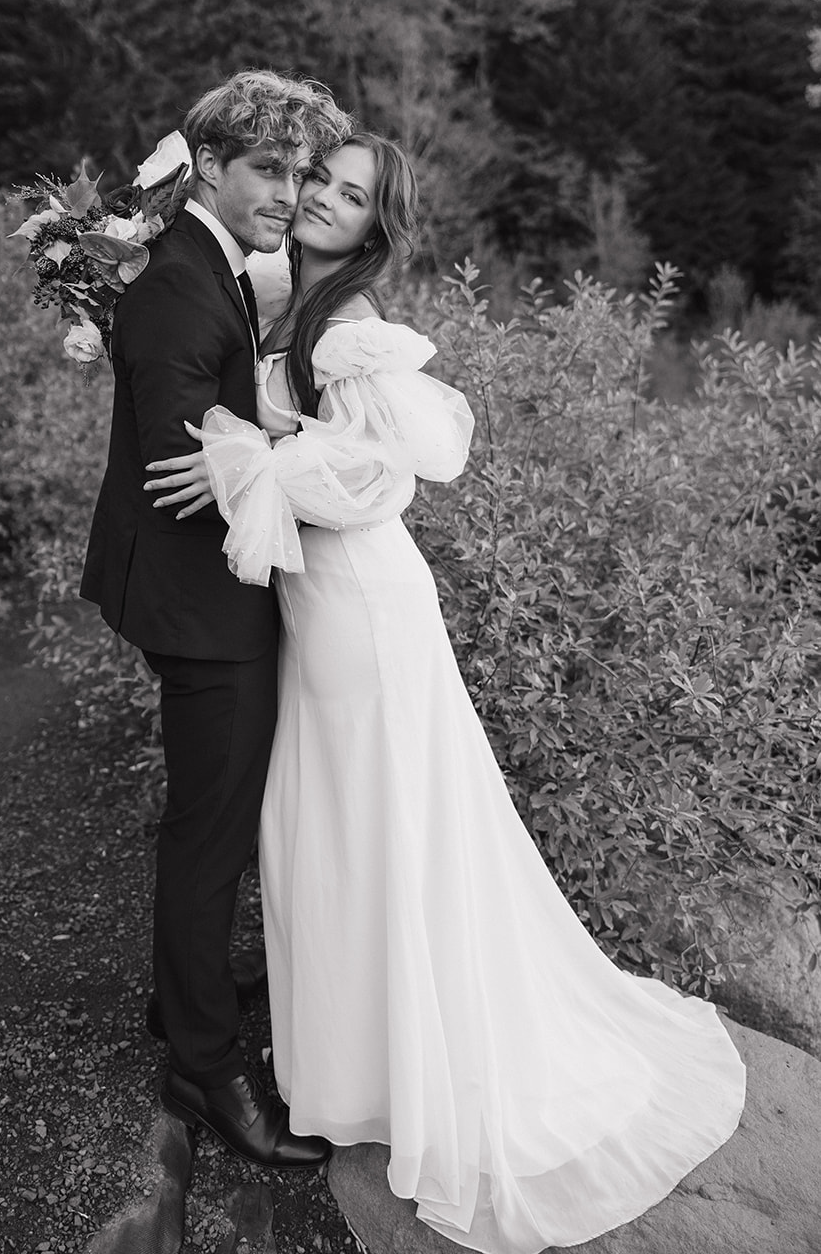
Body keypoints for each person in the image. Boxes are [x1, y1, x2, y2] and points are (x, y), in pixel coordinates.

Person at [146, 133, 746, 1253]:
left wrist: (247, 462)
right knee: (330, 821)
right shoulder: (286, 299)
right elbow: (203, 293)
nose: (319, 197)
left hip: (362, 612)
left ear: (377, 224)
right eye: (312, 178)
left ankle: (412, 1068)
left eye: (348, 193)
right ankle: (354, 1058)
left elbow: (379, 479)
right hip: (315, 611)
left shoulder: (357, 332)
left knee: (379, 820)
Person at [79, 69, 352, 1170]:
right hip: (198, 603)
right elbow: (187, 469)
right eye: (269, 170)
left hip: (201, 587)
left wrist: (255, 448)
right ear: (207, 169)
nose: (289, 192)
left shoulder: (214, 265)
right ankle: (199, 1061)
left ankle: (180, 989)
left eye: (299, 172)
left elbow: (230, 449)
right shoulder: (179, 289)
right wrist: (302, 455)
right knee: (208, 830)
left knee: (218, 815)